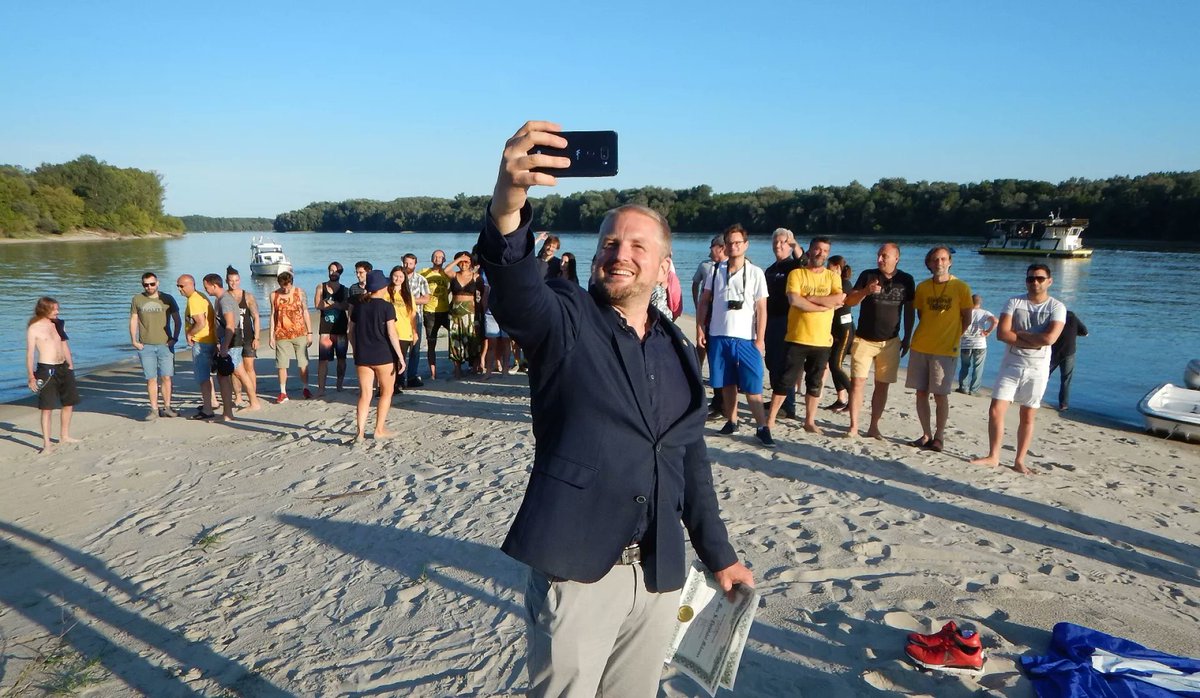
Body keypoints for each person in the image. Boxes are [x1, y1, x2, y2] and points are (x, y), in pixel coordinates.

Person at [479, 121, 753, 698]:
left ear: (664, 266)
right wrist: (509, 201)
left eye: (637, 246)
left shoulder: (676, 346)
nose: (619, 255)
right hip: (578, 570)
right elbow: (518, 293)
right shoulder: (567, 320)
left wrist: (720, 556)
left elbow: (689, 458)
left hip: (659, 573)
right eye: (609, 244)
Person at [971, 264, 1066, 474]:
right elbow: (1002, 334)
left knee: (1028, 414)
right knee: (996, 409)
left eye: (1040, 279)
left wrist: (1020, 334)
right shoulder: (1014, 302)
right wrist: (1034, 339)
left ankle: (1019, 460)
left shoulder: (1057, 307)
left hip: (1038, 368)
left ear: (1049, 281)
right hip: (1011, 364)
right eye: (1031, 279)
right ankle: (993, 456)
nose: (1035, 282)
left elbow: (1050, 338)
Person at [696, 224, 773, 446]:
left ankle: (762, 427)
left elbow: (761, 309)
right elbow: (704, 301)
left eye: (738, 243)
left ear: (746, 245)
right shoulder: (715, 271)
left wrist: (760, 339)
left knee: (753, 384)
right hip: (719, 334)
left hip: (746, 338)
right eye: (729, 243)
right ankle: (732, 420)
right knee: (726, 382)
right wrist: (700, 327)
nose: (733, 247)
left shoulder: (756, 272)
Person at [765, 238, 845, 434]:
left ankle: (809, 421)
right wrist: (822, 306)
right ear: (809, 250)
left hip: (822, 339)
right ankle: (771, 418)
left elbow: (839, 299)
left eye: (825, 251)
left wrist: (811, 298)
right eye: (817, 249)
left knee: (815, 383)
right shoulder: (797, 274)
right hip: (797, 337)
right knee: (785, 380)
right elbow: (794, 300)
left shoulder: (833, 277)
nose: (820, 253)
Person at [843, 243, 915, 439]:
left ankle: (874, 426)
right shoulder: (867, 275)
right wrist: (866, 291)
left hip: (890, 341)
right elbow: (849, 301)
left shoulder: (906, 280)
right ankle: (854, 426)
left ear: (896, 258)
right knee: (857, 382)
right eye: (878, 255)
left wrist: (908, 336)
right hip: (864, 339)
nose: (879, 259)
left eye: (884, 256)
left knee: (882, 385)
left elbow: (909, 310)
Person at [906, 246, 972, 452]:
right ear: (928, 263)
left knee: (940, 395)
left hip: (945, 350)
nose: (939, 263)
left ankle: (939, 436)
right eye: (935, 259)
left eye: (943, 259)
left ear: (950, 262)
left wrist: (954, 336)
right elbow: (922, 315)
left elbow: (967, 318)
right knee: (921, 392)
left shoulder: (961, 287)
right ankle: (926, 434)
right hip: (921, 345)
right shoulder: (923, 287)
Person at [347, 269, 406, 440]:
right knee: (386, 392)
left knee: (365, 395)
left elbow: (350, 331)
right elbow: (392, 334)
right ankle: (379, 430)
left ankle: (360, 432)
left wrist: (355, 348)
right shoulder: (387, 307)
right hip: (383, 355)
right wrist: (400, 357)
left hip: (363, 355)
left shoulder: (359, 306)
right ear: (382, 287)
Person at [204, 273, 262, 420]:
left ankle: (230, 412)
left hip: (232, 342)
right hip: (230, 341)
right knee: (237, 373)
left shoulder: (225, 300)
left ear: (214, 285)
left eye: (206, 287)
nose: (206, 290)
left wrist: (224, 346)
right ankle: (250, 403)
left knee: (227, 375)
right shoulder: (222, 299)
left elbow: (230, 325)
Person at [26, 297, 80, 454]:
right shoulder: (34, 328)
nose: (57, 311)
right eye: (54, 309)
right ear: (44, 309)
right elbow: (30, 354)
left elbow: (64, 344)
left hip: (64, 367)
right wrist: (31, 376)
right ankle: (47, 444)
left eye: (57, 308)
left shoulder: (58, 324)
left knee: (69, 402)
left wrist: (70, 365)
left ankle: (64, 436)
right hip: (46, 370)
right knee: (47, 407)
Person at [763, 228, 805, 419]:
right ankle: (776, 398)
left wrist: (795, 244)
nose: (778, 245)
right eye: (776, 242)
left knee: (784, 362)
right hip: (770, 320)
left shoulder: (794, 267)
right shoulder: (770, 270)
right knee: (771, 361)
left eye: (783, 242)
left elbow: (804, 261)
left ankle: (788, 405)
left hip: (787, 320)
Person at [129, 271, 181, 420]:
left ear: (157, 283)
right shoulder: (137, 299)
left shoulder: (167, 299)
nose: (149, 287)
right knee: (151, 378)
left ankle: (167, 407)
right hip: (146, 346)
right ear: (142, 285)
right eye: (146, 285)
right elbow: (133, 320)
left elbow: (177, 320)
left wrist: (175, 338)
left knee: (166, 377)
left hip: (165, 344)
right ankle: (154, 409)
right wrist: (134, 341)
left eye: (152, 284)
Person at [177, 274, 218, 420]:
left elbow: (200, 322)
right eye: (178, 286)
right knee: (207, 374)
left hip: (202, 342)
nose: (179, 289)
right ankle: (212, 401)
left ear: (190, 285)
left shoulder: (194, 299)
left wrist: (189, 334)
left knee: (203, 377)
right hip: (210, 340)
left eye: (181, 286)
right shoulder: (200, 296)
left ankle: (207, 409)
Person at [268, 271, 312, 403]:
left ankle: (305, 387)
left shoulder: (300, 292)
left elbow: (305, 312)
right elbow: (273, 315)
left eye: (287, 285)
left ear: (291, 283)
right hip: (281, 333)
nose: (285, 289)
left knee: (303, 363)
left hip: (299, 332)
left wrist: (310, 332)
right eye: (283, 286)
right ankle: (283, 392)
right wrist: (271, 336)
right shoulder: (274, 295)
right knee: (281, 364)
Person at [225, 266, 260, 408]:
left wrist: (257, 337)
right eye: (231, 280)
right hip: (232, 339)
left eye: (236, 280)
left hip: (248, 337)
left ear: (239, 280)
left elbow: (255, 317)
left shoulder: (247, 296)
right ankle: (238, 396)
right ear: (226, 281)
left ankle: (253, 395)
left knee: (249, 367)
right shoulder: (224, 297)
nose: (234, 283)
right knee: (235, 369)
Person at [314, 261, 350, 395]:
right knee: (323, 360)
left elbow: (346, 306)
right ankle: (321, 388)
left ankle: (339, 385)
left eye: (335, 271)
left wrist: (331, 303)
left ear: (340, 273)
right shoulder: (321, 287)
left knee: (342, 359)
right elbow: (318, 305)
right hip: (325, 329)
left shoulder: (344, 289)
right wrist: (335, 304)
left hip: (340, 328)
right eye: (331, 270)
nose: (333, 273)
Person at [824, 256, 855, 412]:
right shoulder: (830, 283)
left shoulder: (845, 284)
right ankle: (841, 398)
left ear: (837, 268)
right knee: (832, 364)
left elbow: (838, 303)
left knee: (836, 365)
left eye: (829, 266)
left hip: (845, 329)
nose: (826, 269)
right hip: (833, 329)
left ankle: (853, 396)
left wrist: (818, 307)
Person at [447, 251, 481, 378]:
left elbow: (482, 293)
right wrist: (459, 258)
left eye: (466, 262)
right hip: (455, 314)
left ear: (471, 263)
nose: (464, 264)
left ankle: (475, 367)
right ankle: (457, 369)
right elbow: (446, 270)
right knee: (455, 340)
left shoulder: (476, 276)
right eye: (461, 262)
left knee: (473, 340)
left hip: (471, 313)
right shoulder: (454, 275)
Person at [420, 250, 452, 380]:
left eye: (440, 257)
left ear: (444, 259)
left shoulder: (447, 273)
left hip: (445, 311)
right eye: (435, 256)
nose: (438, 258)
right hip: (430, 312)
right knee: (431, 343)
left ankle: (458, 367)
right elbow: (412, 281)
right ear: (431, 258)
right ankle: (433, 373)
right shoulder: (423, 272)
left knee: (455, 337)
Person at [957, 294, 997, 396]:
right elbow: (995, 321)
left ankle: (963, 387)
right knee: (978, 367)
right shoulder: (984, 313)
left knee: (964, 366)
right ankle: (974, 390)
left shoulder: (964, 312)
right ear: (980, 302)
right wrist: (988, 331)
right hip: (980, 343)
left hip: (966, 343)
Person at [387, 265, 418, 393]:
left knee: (401, 358)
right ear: (391, 276)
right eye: (396, 276)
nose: (398, 279)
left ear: (404, 278)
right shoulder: (386, 292)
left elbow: (413, 315)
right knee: (390, 359)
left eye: (401, 276)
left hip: (404, 332)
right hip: (388, 331)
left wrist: (415, 332)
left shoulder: (408, 295)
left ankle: (399, 382)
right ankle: (389, 383)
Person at [401, 253, 431, 387]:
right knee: (400, 349)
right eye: (405, 263)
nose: (407, 266)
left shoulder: (421, 279)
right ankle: (399, 377)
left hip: (415, 316)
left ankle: (412, 376)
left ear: (415, 264)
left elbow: (426, 298)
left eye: (410, 264)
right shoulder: (397, 278)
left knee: (415, 348)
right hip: (400, 318)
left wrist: (410, 301)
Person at [1049, 310, 1088, 410]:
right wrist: (1074, 333)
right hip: (1068, 352)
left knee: (1044, 375)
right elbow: (1085, 332)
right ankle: (1063, 404)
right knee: (1066, 379)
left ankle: (1034, 397)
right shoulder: (1073, 318)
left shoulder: (1054, 318)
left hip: (1054, 352)